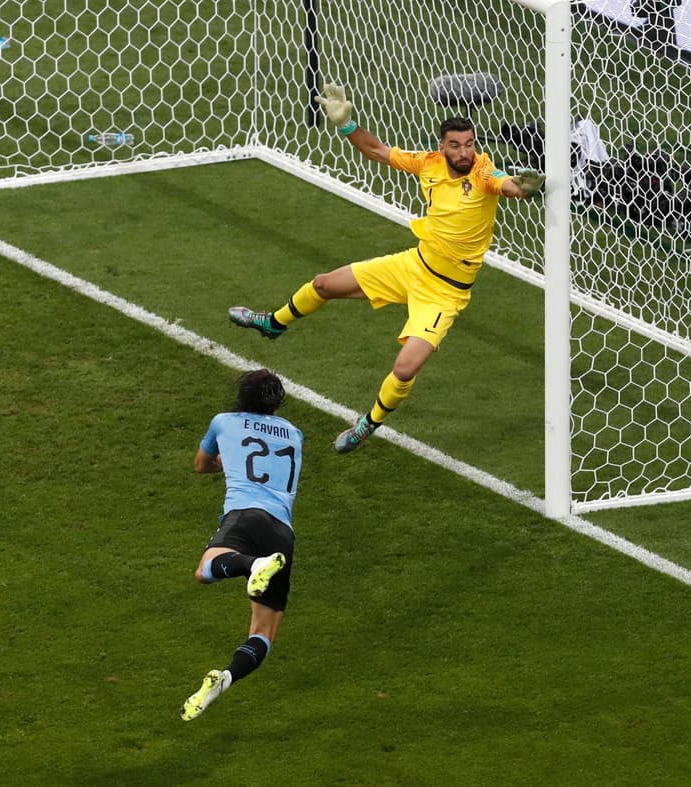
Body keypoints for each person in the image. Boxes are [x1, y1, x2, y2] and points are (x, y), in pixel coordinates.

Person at [228, 83, 543, 453]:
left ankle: (367, 424)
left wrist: (522, 188)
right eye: (456, 145)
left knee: (406, 369)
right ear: (442, 146)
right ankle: (273, 323)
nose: (464, 152)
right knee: (324, 284)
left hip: (445, 293)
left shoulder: (483, 173)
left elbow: (505, 185)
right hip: (413, 265)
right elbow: (376, 150)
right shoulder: (428, 163)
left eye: (470, 143)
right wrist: (346, 124)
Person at [181, 369, 302, 721]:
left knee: (205, 571)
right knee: (262, 635)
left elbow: (201, 465)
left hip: (244, 516)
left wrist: (227, 462)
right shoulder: (295, 434)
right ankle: (227, 677)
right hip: (282, 532)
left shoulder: (223, 422)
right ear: (277, 401)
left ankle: (252, 565)